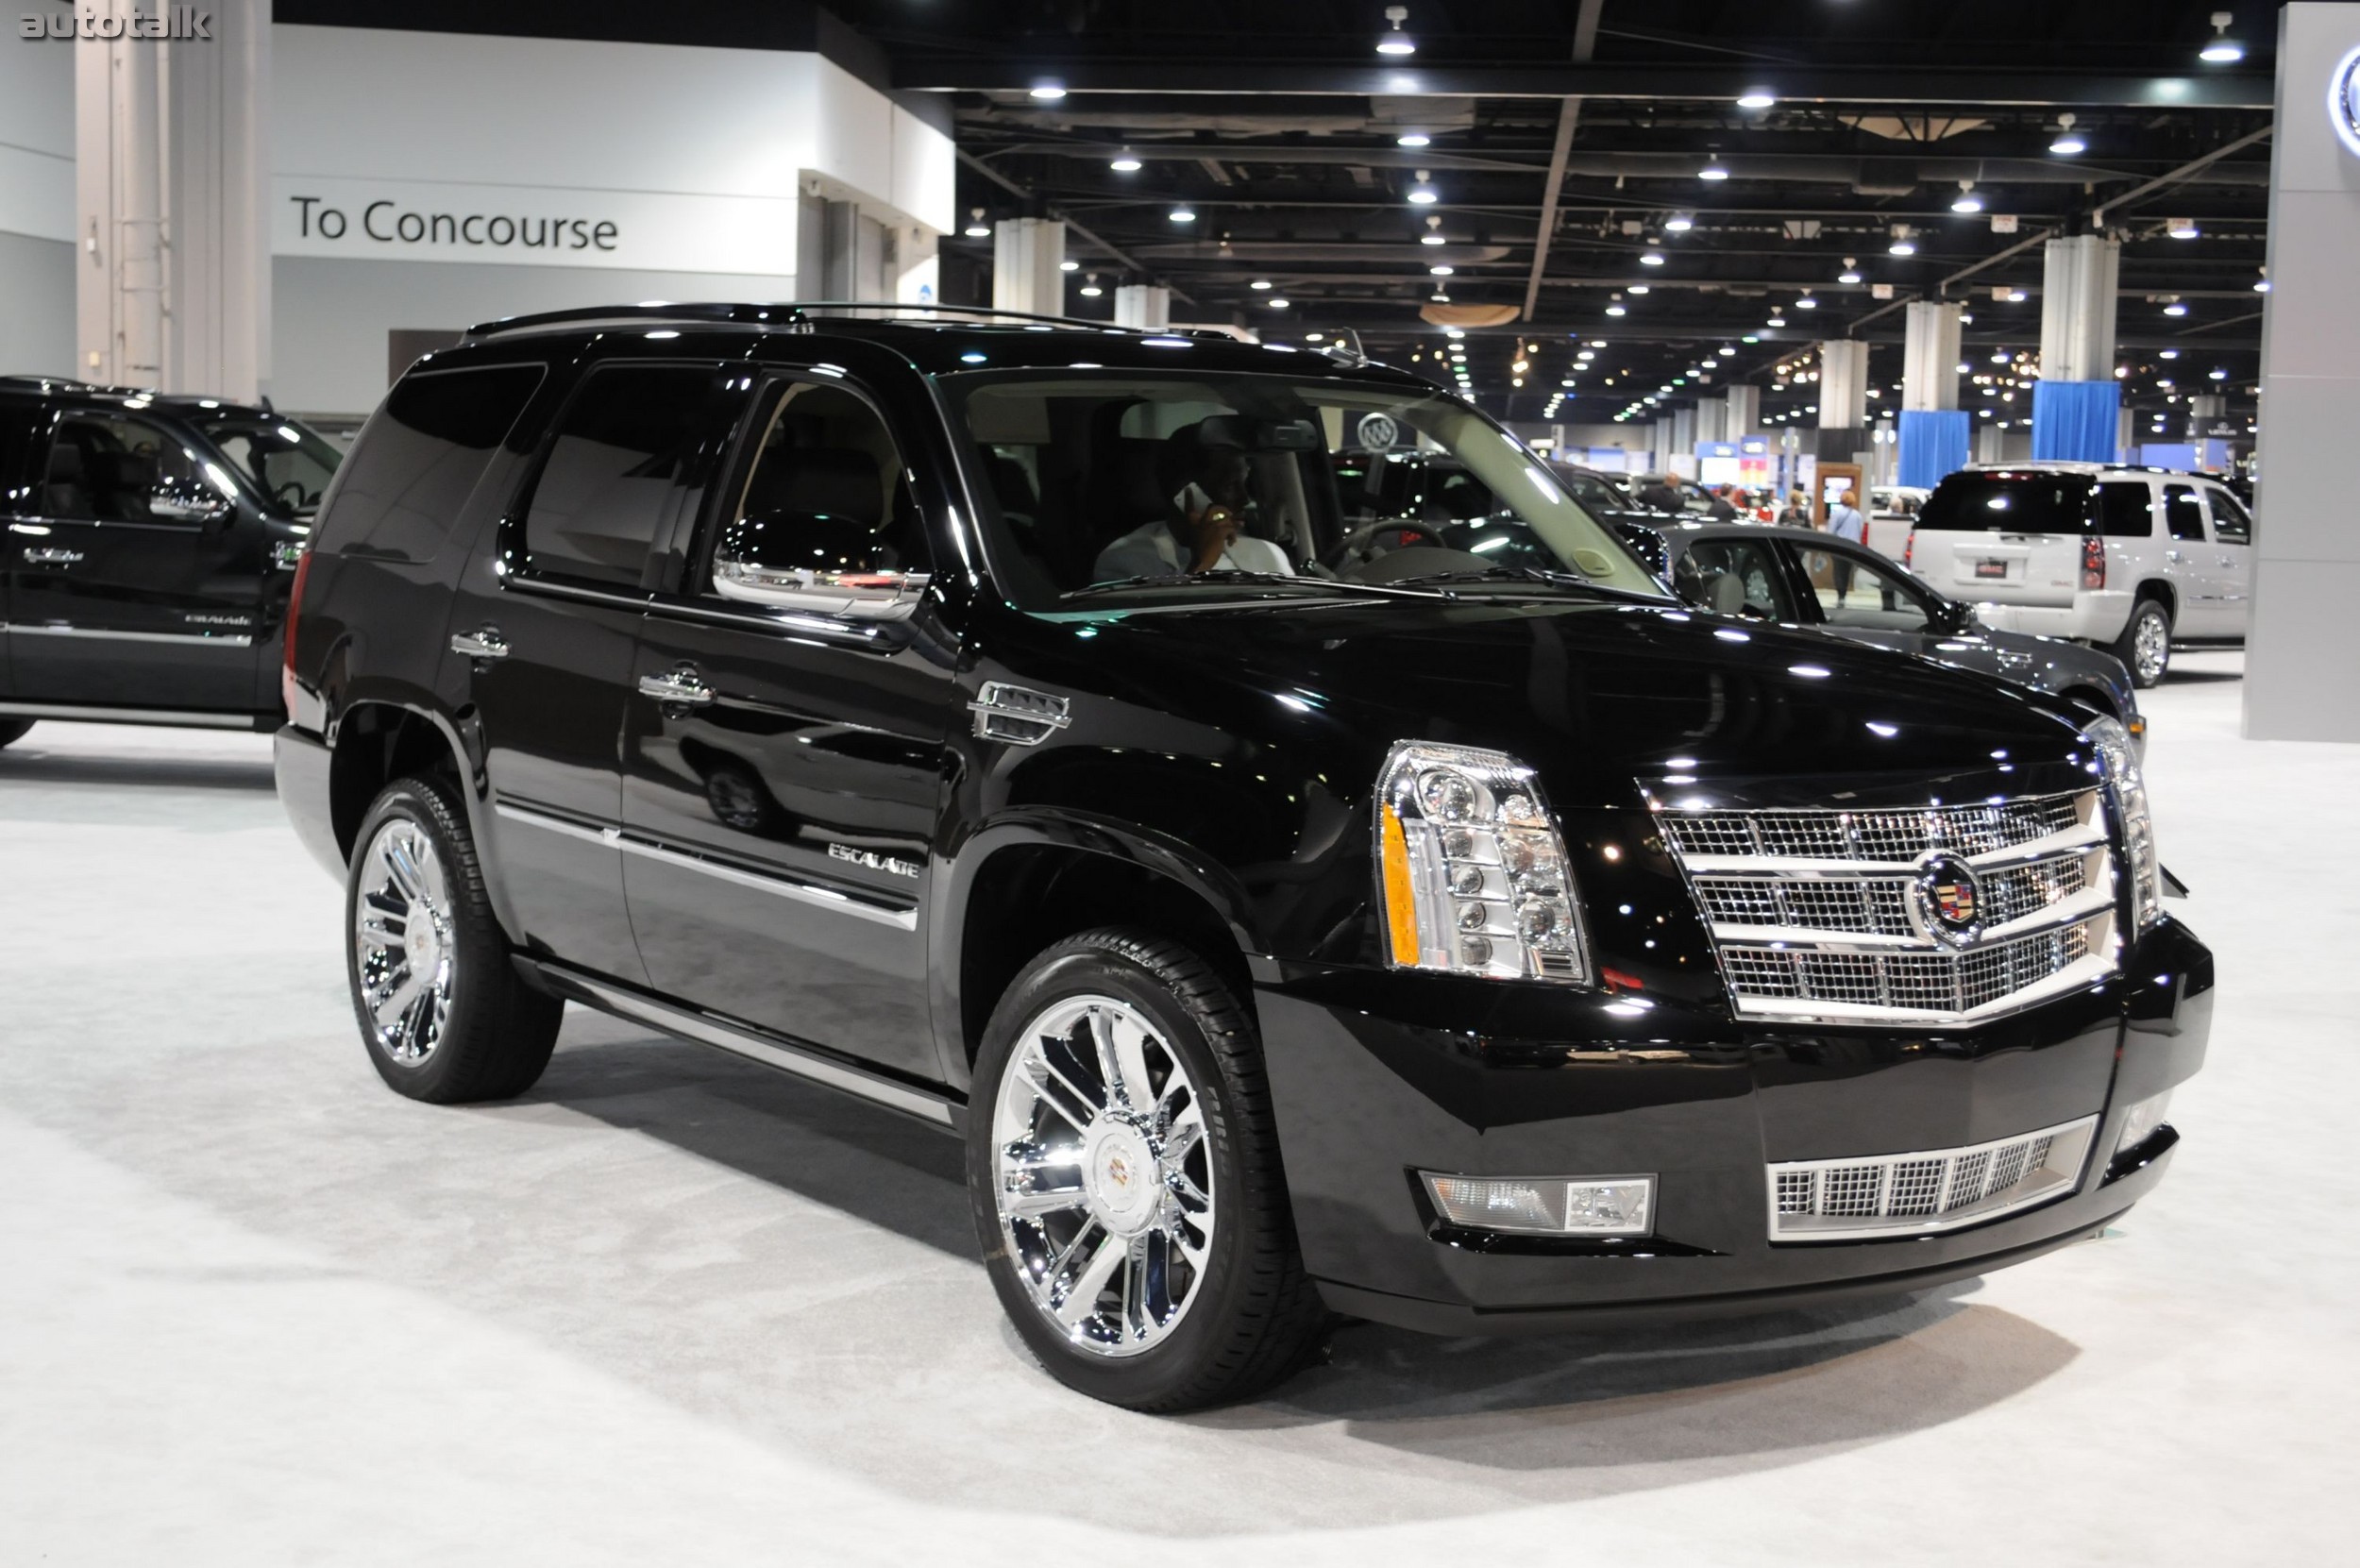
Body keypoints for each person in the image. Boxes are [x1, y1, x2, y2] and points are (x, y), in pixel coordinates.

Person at [1091, 422, 1292, 582]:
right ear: (1188, 492)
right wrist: (1202, 563)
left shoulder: (1268, 554)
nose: (1245, 499)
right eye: (1230, 486)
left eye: (1244, 482)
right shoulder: (1125, 560)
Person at [1825, 487, 1867, 601]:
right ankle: (1844, 594)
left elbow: (1831, 532)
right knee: (1847, 571)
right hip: (1852, 547)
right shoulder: (1857, 515)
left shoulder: (1837, 514)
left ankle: (1840, 595)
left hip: (1838, 547)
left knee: (1838, 571)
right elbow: (1860, 531)